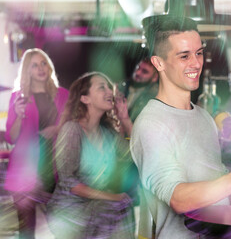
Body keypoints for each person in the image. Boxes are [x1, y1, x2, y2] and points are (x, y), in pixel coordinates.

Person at [130, 15, 231, 238]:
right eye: (184, 56)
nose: (196, 63)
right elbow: (178, 199)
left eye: (198, 53)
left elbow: (212, 178)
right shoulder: (152, 124)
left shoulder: (204, 117)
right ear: (158, 63)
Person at [46, 72, 135, 238]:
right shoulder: (72, 130)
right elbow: (69, 182)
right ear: (85, 98)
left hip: (99, 205)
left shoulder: (108, 133)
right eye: (102, 87)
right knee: (113, 207)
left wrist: (125, 119)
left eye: (110, 87)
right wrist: (112, 197)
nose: (110, 91)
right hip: (70, 208)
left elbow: (133, 155)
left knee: (120, 206)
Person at [4, 48, 69, 239]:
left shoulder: (63, 94)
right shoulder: (18, 97)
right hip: (25, 169)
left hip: (54, 166)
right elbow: (11, 138)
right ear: (27, 71)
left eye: (43, 63)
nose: (40, 68)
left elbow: (72, 126)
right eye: (34, 65)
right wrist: (19, 115)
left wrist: (57, 130)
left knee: (63, 228)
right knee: (26, 231)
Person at [122, 53, 159, 122]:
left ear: (155, 77)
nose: (138, 73)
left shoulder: (155, 97)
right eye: (138, 68)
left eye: (144, 72)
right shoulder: (121, 86)